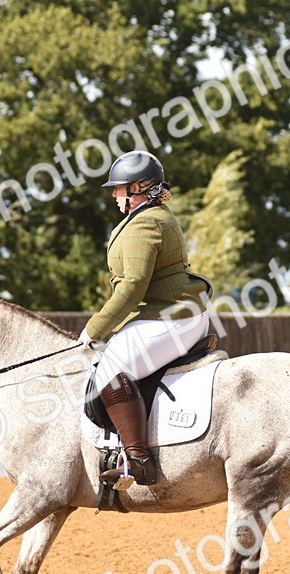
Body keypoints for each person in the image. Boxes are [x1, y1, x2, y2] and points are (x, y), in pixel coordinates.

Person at [77, 150, 212, 486]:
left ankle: (139, 460)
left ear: (137, 187)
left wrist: (94, 329)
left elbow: (133, 287)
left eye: (118, 188)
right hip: (167, 312)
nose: (114, 194)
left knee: (111, 370)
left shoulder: (147, 222)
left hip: (170, 316)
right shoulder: (146, 217)